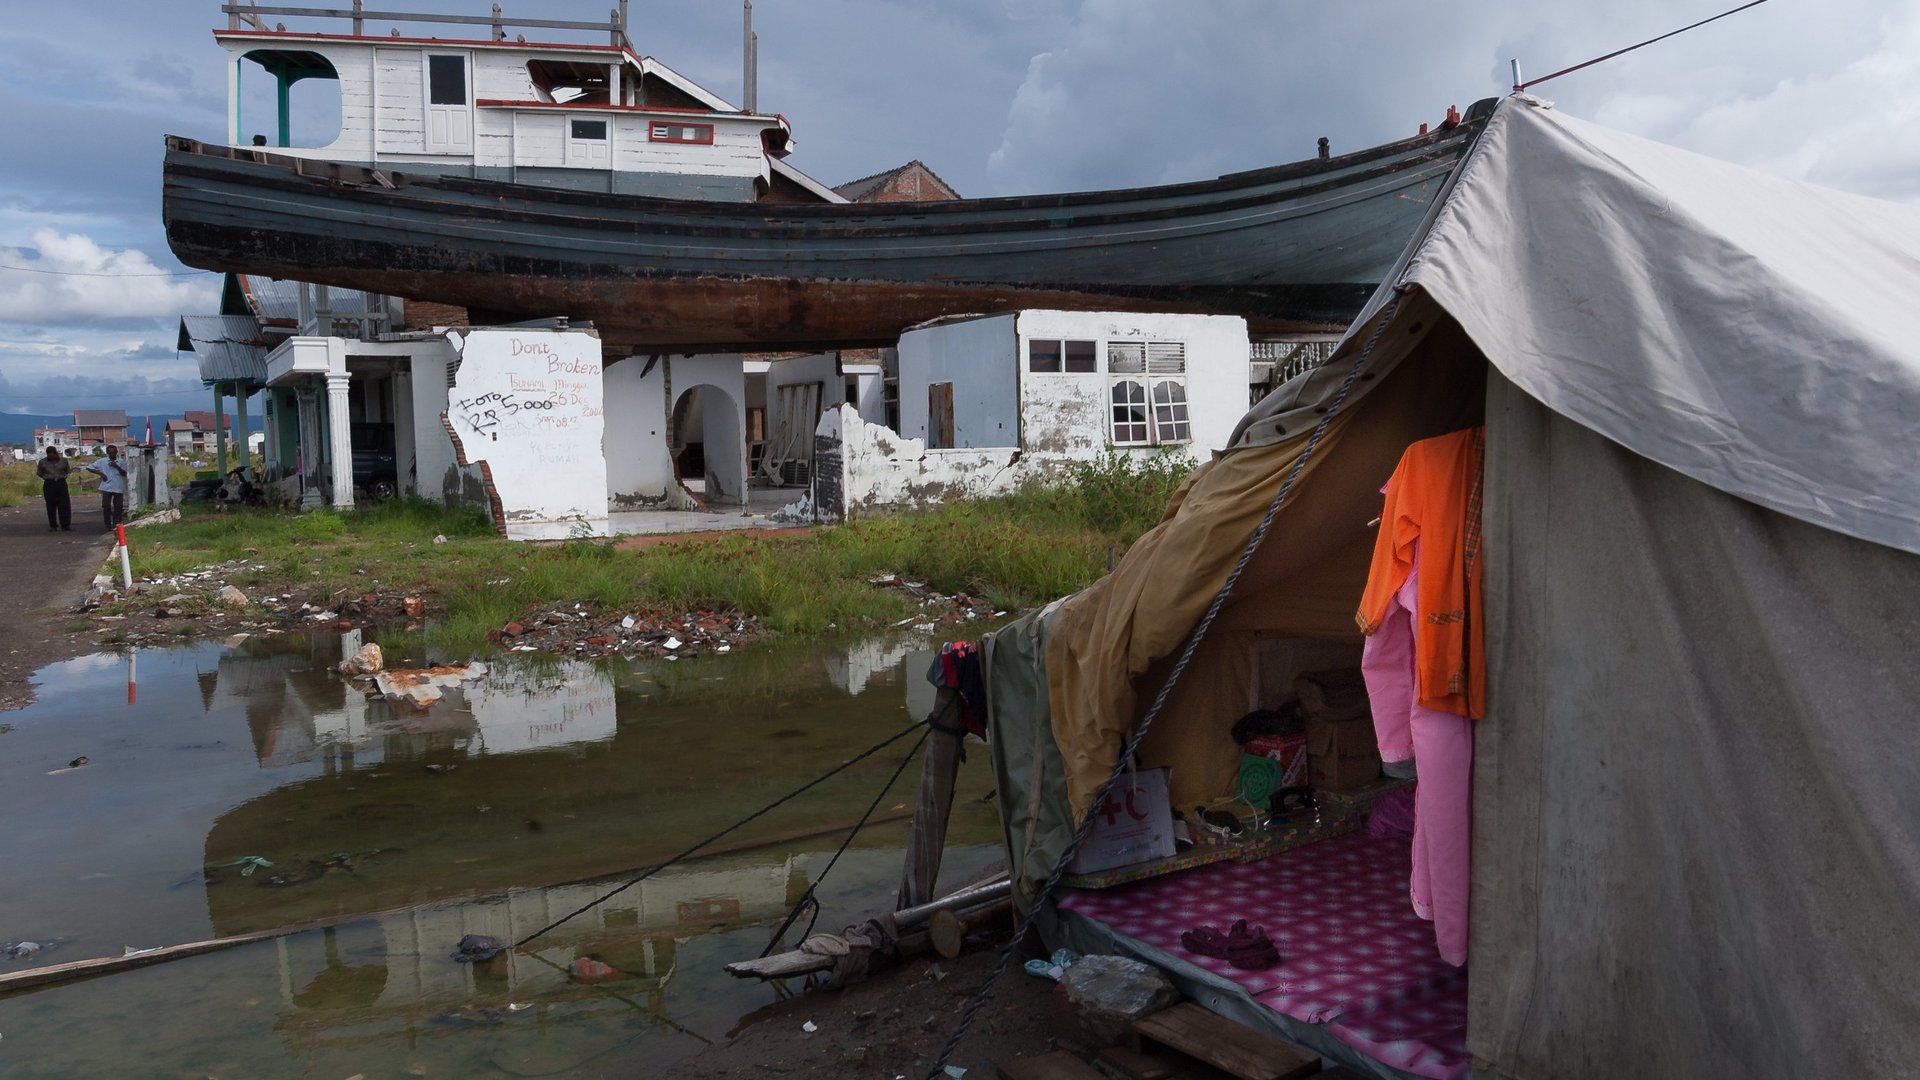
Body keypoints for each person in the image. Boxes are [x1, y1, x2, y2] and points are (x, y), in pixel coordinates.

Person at [85, 444, 129, 530]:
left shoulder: (121, 462)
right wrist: (101, 474)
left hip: (118, 487)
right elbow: (89, 467)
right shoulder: (102, 461)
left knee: (118, 507)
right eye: (110, 453)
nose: (112, 454)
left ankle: (117, 524)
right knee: (106, 506)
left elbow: (125, 473)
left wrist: (117, 467)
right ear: (107, 453)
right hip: (106, 487)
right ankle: (107, 524)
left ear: (116, 452)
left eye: (113, 452)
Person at [36, 446, 72, 531]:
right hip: (49, 483)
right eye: (49, 455)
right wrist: (47, 478)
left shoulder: (64, 461)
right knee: (50, 505)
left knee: (64, 504)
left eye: (53, 455)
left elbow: (67, 471)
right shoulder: (42, 462)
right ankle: (53, 526)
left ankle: (65, 525)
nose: (51, 457)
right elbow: (39, 473)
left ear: (56, 453)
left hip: (61, 482)